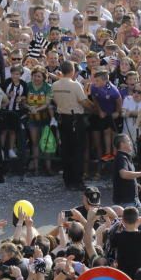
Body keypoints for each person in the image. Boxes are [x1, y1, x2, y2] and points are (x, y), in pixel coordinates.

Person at [52, 60, 92, 190]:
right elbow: (84, 102)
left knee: (66, 150)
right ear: (72, 71)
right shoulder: (75, 85)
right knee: (78, 151)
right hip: (75, 119)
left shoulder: (55, 84)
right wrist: (94, 107)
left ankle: (67, 180)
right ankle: (77, 181)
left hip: (63, 118)